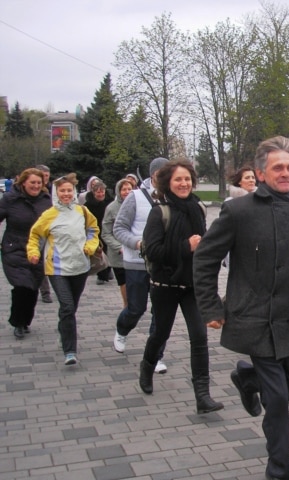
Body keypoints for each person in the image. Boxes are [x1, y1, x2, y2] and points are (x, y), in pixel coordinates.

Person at [193, 136, 289, 480]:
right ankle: (279, 470)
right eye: (278, 168)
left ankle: (247, 376)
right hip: (256, 318)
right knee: (277, 399)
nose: (286, 173)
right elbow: (205, 258)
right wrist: (211, 306)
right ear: (260, 173)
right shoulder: (238, 211)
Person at [138, 160, 224, 414]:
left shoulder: (197, 208)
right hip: (164, 284)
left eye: (187, 179)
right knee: (160, 334)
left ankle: (203, 395)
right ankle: (147, 366)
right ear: (167, 183)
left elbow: (204, 244)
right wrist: (185, 247)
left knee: (199, 337)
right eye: (178, 180)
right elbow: (152, 250)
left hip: (191, 284)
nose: (184, 183)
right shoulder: (159, 212)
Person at [27, 173, 100, 366]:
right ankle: (70, 351)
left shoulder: (82, 211)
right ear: (55, 193)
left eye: (69, 190)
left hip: (80, 267)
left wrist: (90, 246)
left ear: (74, 192)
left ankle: (64, 330)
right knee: (67, 306)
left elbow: (93, 229)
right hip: (57, 268)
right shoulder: (48, 215)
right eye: (62, 191)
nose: (66, 194)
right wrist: (33, 252)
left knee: (71, 308)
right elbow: (34, 236)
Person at [113, 157, 170, 374]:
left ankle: (156, 356)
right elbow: (119, 227)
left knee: (161, 312)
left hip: (163, 263)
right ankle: (122, 329)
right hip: (137, 262)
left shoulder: (172, 196)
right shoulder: (135, 196)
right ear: (153, 174)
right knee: (136, 308)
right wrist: (136, 243)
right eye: (162, 173)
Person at [0, 168, 51, 338]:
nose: (36, 186)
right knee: (22, 285)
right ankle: (18, 322)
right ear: (23, 183)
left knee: (32, 288)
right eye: (32, 183)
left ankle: (25, 320)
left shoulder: (46, 200)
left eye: (39, 183)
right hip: (14, 248)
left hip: (37, 249)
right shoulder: (10, 199)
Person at [102, 178, 134, 307]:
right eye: (124, 189)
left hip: (135, 251)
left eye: (129, 189)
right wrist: (118, 247)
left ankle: (135, 304)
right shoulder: (111, 208)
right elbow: (106, 233)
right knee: (124, 282)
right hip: (118, 254)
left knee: (135, 281)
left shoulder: (137, 204)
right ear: (118, 191)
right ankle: (127, 305)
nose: (126, 192)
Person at [84, 179, 112, 285]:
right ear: (94, 192)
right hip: (96, 231)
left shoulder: (109, 202)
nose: (100, 194)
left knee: (109, 251)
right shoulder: (88, 205)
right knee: (100, 252)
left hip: (108, 230)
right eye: (98, 192)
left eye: (102, 191)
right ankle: (101, 274)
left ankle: (108, 270)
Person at [35, 165, 54, 303]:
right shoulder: (35, 191)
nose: (45, 178)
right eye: (42, 175)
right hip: (37, 231)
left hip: (51, 230)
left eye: (47, 175)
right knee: (40, 261)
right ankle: (45, 292)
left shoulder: (53, 188)